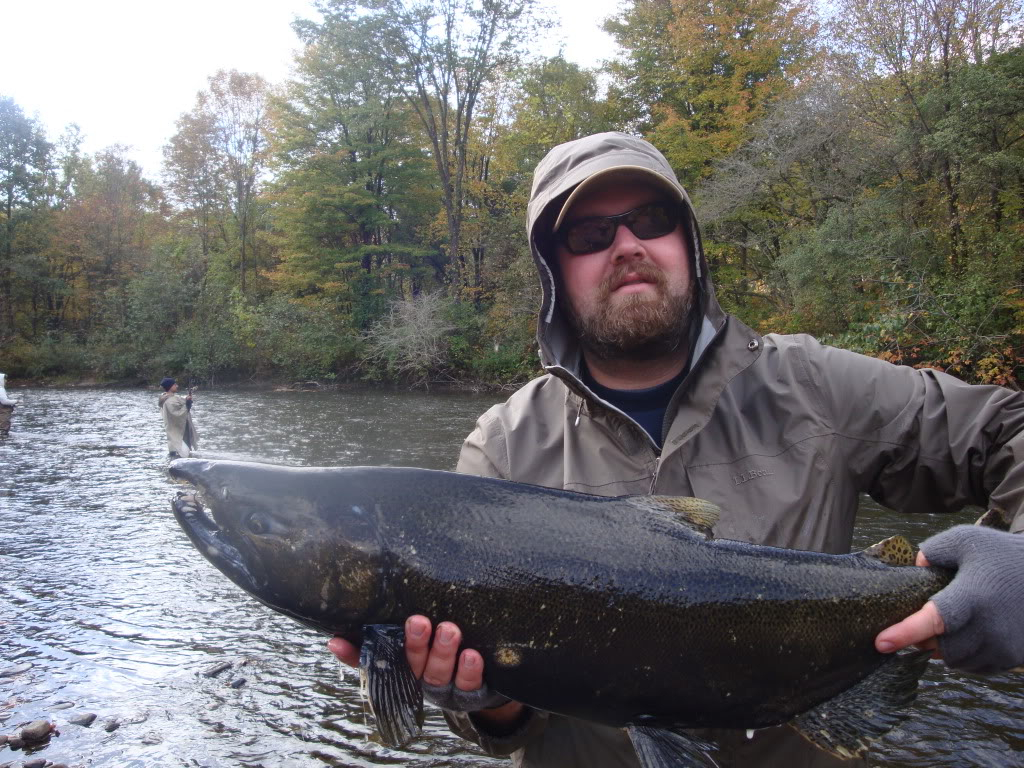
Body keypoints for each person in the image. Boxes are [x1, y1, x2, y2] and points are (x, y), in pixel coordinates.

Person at [329, 132, 1024, 766]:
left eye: (652, 221)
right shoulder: (504, 446)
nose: (627, 245)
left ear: (687, 241)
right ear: (552, 272)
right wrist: (488, 701)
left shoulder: (817, 386)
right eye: (591, 233)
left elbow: (1007, 427)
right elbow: (507, 723)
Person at [159, 377, 198, 458]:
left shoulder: (171, 398)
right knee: (181, 455)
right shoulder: (169, 401)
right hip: (176, 437)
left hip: (176, 434)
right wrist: (187, 406)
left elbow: (180, 400)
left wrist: (186, 400)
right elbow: (177, 415)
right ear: (170, 386)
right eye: (174, 384)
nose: (177, 386)